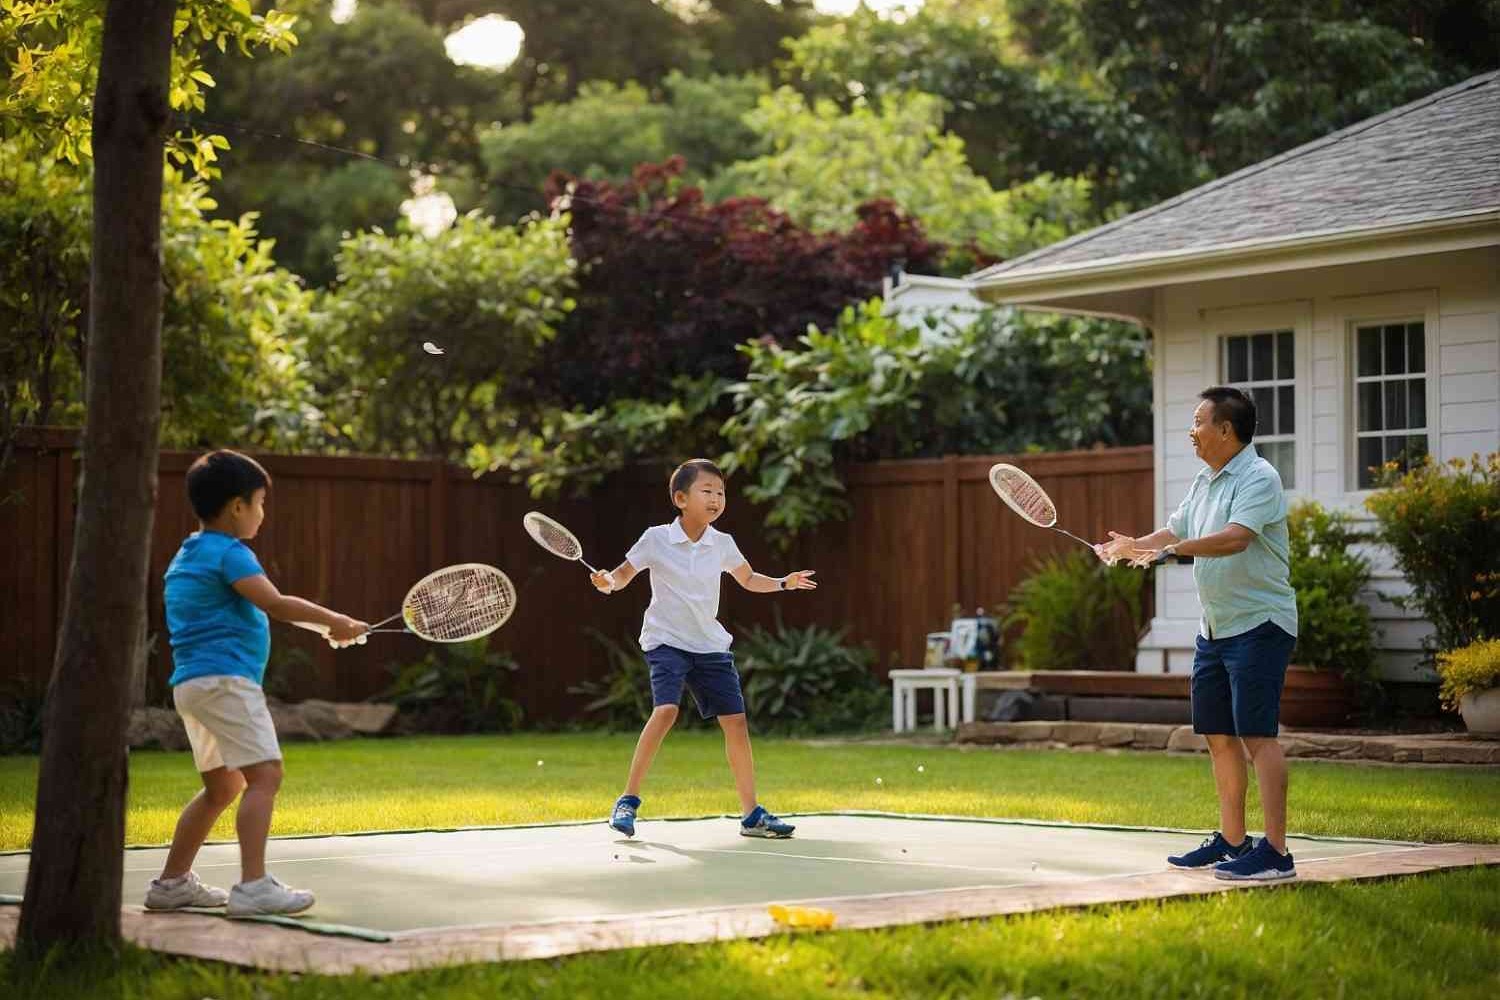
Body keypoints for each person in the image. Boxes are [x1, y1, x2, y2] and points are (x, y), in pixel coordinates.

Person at [146, 450, 368, 916]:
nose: (264, 513)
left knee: (222, 788)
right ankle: (253, 886)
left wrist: (329, 629)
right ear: (236, 507)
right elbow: (277, 603)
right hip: (227, 683)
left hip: (192, 686)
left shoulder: (187, 555)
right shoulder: (230, 553)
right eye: (260, 502)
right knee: (265, 775)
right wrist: (335, 621)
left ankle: (171, 885)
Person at [1097, 387, 1299, 881]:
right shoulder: (1205, 480)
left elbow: (1236, 538)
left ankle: (1276, 853)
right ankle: (1234, 841)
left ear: (1225, 430)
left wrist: (1170, 551)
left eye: (1198, 422)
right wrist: (1134, 546)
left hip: (1260, 624)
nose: (1192, 431)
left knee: (1257, 735)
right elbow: (1173, 530)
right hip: (1216, 628)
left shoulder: (1259, 477)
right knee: (1217, 735)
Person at [591, 458, 817, 839]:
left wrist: (783, 582)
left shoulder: (722, 543)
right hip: (666, 641)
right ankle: (628, 800)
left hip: (709, 645)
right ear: (680, 498)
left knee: (736, 723)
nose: (716, 498)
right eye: (707, 491)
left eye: (721, 492)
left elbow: (747, 579)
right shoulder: (656, 539)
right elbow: (623, 575)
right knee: (665, 711)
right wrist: (607, 582)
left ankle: (752, 815)